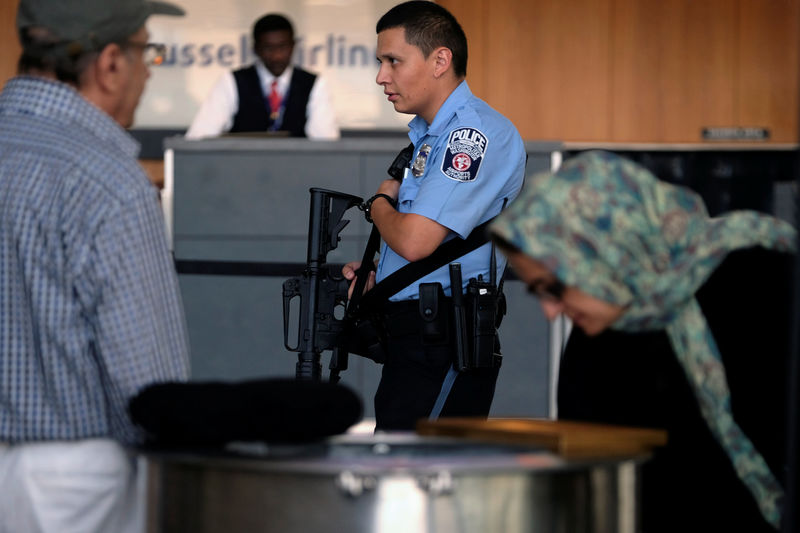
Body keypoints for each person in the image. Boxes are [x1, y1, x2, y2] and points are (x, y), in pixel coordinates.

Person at [488, 150, 795, 532]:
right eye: (538, 293)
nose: (551, 313)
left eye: (553, 287)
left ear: (604, 249)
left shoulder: (765, 279)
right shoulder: (596, 337)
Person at [0, 1, 191, 531]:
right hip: (76, 487)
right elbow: (151, 390)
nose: (148, 71)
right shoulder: (107, 182)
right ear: (110, 63)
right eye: (145, 52)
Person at [342, 1, 526, 431]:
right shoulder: (431, 138)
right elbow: (423, 249)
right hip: (418, 339)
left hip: (443, 342)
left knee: (420, 480)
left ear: (440, 59)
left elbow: (415, 240)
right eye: (380, 62)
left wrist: (379, 203)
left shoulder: (470, 134)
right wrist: (379, 277)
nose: (381, 76)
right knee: (401, 478)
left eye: (393, 61)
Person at [185, 13, 340, 140]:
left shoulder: (314, 84)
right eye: (268, 48)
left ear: (293, 46)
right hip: (242, 171)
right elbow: (199, 138)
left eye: (283, 47)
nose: (277, 56)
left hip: (298, 173)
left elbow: (326, 143)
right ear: (255, 49)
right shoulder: (232, 81)